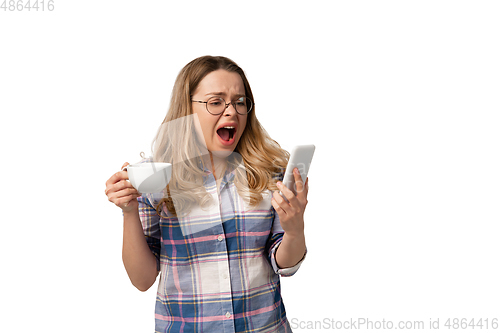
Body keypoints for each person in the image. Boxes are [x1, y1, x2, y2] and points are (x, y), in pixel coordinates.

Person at [105, 56, 309, 332]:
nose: (232, 112)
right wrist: (128, 209)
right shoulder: (155, 177)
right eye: (215, 102)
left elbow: (283, 263)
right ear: (186, 110)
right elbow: (142, 280)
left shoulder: (269, 173)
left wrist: (295, 231)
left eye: (240, 101)